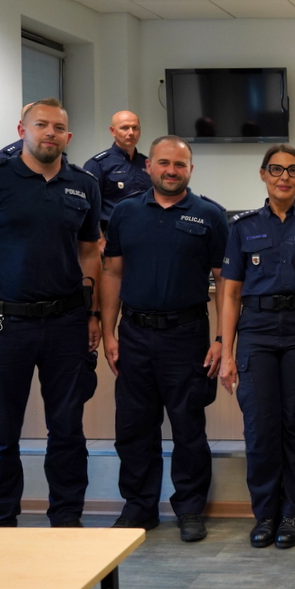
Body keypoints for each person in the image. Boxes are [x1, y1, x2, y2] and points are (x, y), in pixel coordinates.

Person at [0, 98, 102, 527]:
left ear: (68, 137)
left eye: (58, 128)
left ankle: (67, 524)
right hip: (3, 325)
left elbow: (90, 252)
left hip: (67, 324)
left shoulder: (84, 184)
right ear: (22, 130)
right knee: (0, 436)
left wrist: (92, 314)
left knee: (68, 432)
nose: (50, 133)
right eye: (41, 125)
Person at [100, 135, 227, 543]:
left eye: (180, 164)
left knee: (189, 426)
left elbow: (226, 283)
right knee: (134, 427)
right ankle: (139, 507)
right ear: (149, 166)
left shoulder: (210, 215)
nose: (172, 171)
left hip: (187, 336)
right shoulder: (124, 213)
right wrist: (108, 332)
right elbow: (112, 273)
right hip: (134, 334)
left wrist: (222, 338)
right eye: (164, 163)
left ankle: (190, 508)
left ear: (190, 169)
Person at [218, 144, 295, 550]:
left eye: (292, 170)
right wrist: (227, 352)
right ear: (263, 174)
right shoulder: (242, 226)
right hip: (257, 331)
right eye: (276, 169)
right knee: (260, 428)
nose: (284, 177)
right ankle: (265, 514)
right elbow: (230, 294)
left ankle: (291, 514)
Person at [84, 111, 151, 229]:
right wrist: (98, 237)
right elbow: (88, 208)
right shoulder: (98, 164)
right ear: (113, 131)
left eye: (135, 128)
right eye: (125, 128)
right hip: (111, 231)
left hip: (144, 229)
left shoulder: (147, 164)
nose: (131, 133)